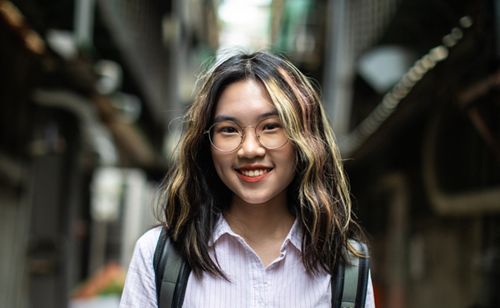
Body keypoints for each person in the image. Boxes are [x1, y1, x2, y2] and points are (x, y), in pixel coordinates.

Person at [119, 51, 375, 307]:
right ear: (207, 145)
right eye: (229, 130)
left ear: (305, 139)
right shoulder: (158, 256)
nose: (250, 149)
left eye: (271, 126)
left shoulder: (346, 268)